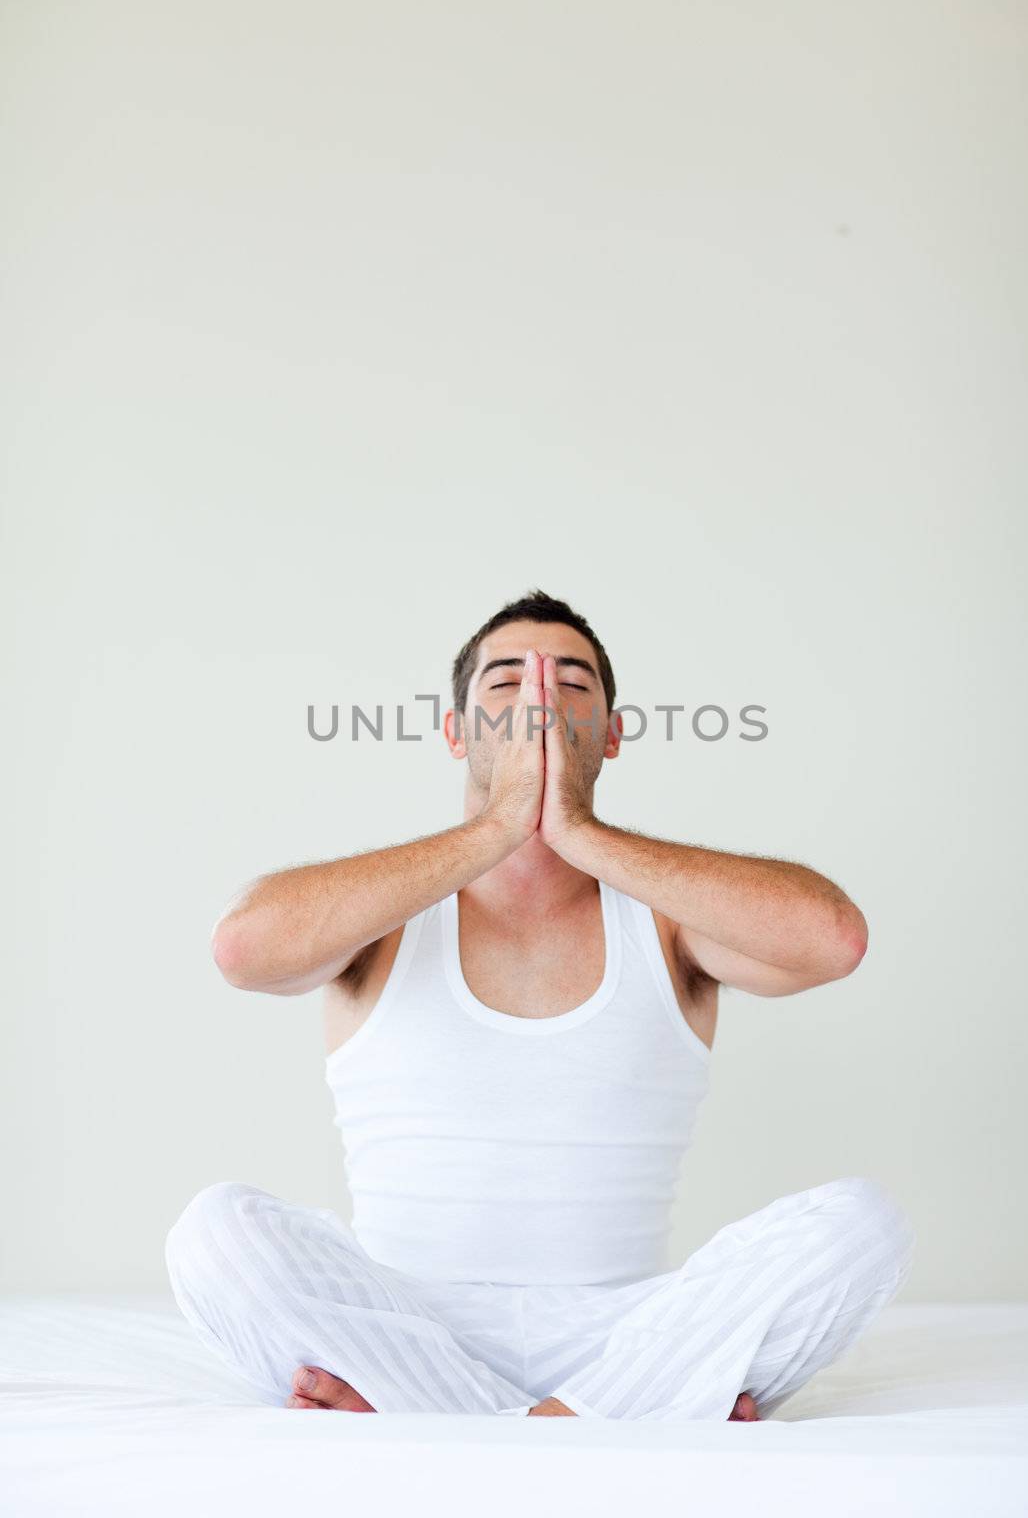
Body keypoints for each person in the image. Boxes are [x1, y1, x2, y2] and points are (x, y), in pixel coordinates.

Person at [166, 589, 915, 1421]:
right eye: (504, 685)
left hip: (623, 1328)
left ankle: (455, 1421)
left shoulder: (669, 925)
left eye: (571, 683)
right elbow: (242, 949)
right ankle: (602, 1420)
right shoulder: (380, 916)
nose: (538, 702)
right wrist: (497, 827)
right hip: (406, 1322)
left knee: (863, 1224)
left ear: (614, 731)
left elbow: (832, 940)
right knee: (214, 1232)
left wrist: (576, 832)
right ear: (456, 732)